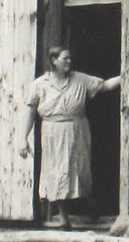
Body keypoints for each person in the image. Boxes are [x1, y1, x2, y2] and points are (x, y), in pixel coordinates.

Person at [19, 46, 122, 228]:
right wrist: (23, 138)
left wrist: (126, 74)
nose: (69, 61)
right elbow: (30, 112)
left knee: (79, 170)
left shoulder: (80, 79)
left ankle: (91, 204)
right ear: (54, 61)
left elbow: (105, 86)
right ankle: (64, 219)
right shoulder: (40, 84)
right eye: (65, 58)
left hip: (77, 131)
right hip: (52, 133)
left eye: (69, 58)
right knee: (55, 174)